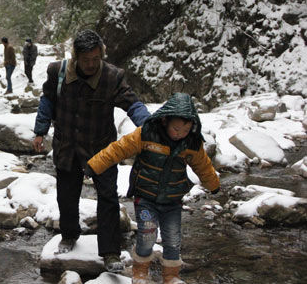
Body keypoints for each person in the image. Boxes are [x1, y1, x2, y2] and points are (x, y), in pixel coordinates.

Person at [32, 29, 150, 272]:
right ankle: (69, 235)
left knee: (107, 198)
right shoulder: (58, 72)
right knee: (66, 195)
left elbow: (133, 103)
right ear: (75, 57)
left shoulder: (112, 77)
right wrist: (40, 130)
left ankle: (110, 252)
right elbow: (47, 100)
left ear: (102, 56)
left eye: (96, 59)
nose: (91, 64)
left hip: (102, 148)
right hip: (67, 146)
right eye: (86, 60)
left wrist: (149, 126)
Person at [86, 92, 220, 283]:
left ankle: (171, 276)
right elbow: (118, 149)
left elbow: (203, 166)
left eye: (185, 130)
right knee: (148, 233)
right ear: (165, 120)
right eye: (176, 129)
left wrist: (213, 185)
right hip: (146, 198)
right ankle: (140, 272)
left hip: (172, 201)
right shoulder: (146, 134)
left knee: (173, 239)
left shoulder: (191, 143)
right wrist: (94, 165)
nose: (180, 134)